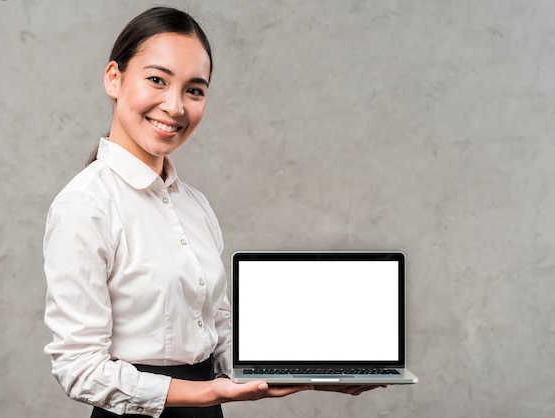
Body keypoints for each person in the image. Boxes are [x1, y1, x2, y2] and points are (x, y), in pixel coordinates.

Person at [43, 6, 382, 418]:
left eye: (194, 90)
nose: (175, 106)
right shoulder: (86, 205)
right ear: (114, 78)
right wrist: (205, 394)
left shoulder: (194, 205)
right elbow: (78, 369)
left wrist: (315, 373)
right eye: (156, 80)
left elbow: (217, 336)